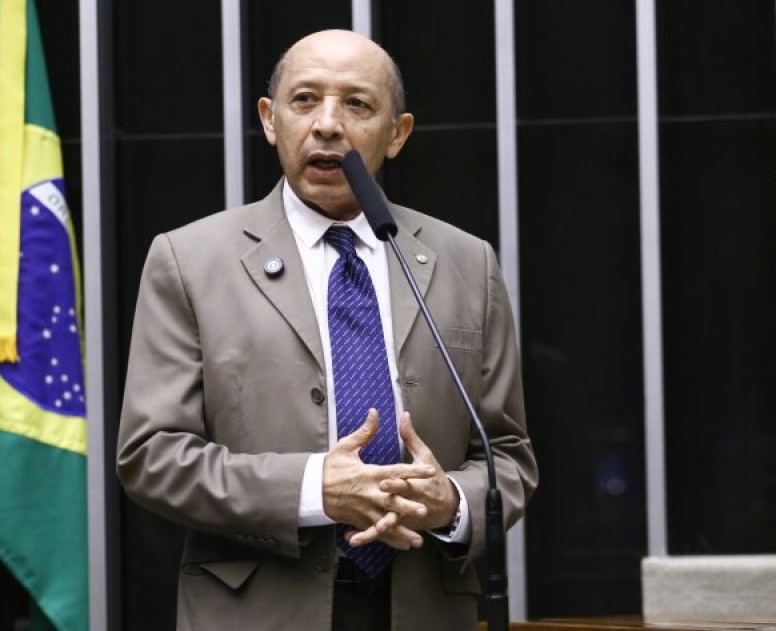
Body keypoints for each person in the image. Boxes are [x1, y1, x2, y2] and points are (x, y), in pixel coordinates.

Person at [117, 29, 537, 631]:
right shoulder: (189, 261)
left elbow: (508, 457)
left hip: (423, 606)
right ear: (270, 119)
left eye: (357, 105)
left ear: (398, 133)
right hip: (258, 610)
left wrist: (451, 503)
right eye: (305, 100)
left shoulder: (466, 263)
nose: (327, 125)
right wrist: (315, 489)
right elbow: (152, 456)